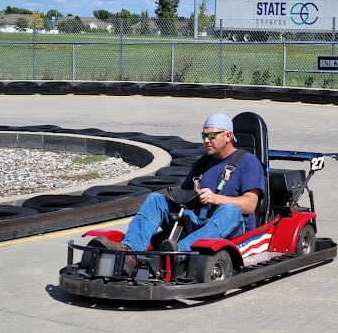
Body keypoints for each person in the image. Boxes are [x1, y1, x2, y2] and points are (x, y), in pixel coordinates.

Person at [92, 113, 265, 275]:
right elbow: (185, 195)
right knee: (156, 199)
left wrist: (215, 198)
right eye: (203, 136)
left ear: (228, 136)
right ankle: (129, 253)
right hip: (200, 222)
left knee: (229, 210)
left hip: (232, 226)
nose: (206, 141)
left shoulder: (248, 162)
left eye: (212, 136)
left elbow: (251, 205)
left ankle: (177, 253)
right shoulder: (203, 163)